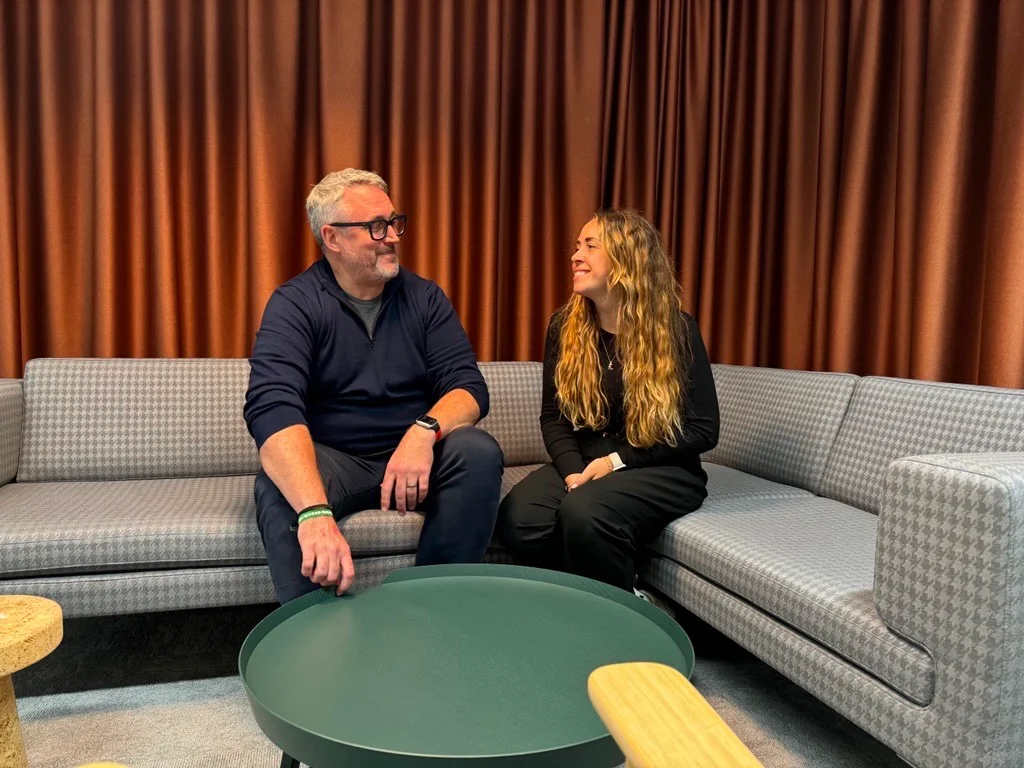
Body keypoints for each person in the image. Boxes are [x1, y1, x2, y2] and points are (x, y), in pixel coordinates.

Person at [244, 168, 503, 604]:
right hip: (336, 460)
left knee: (477, 451)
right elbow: (272, 408)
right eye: (376, 227)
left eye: (394, 222)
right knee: (278, 485)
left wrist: (424, 431)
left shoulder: (424, 298)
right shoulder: (294, 304)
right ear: (333, 238)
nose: (393, 237)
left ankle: (435, 610)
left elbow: (468, 386)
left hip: (413, 456)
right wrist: (314, 511)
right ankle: (316, 638)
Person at [496, 209, 719, 593]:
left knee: (584, 513)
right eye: (577, 246)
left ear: (625, 259)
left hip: (662, 467)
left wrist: (615, 461)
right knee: (520, 519)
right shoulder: (563, 327)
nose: (575, 255)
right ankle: (611, 588)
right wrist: (572, 473)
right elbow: (553, 417)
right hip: (586, 462)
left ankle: (623, 615)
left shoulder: (676, 329)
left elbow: (702, 430)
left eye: (590, 246)